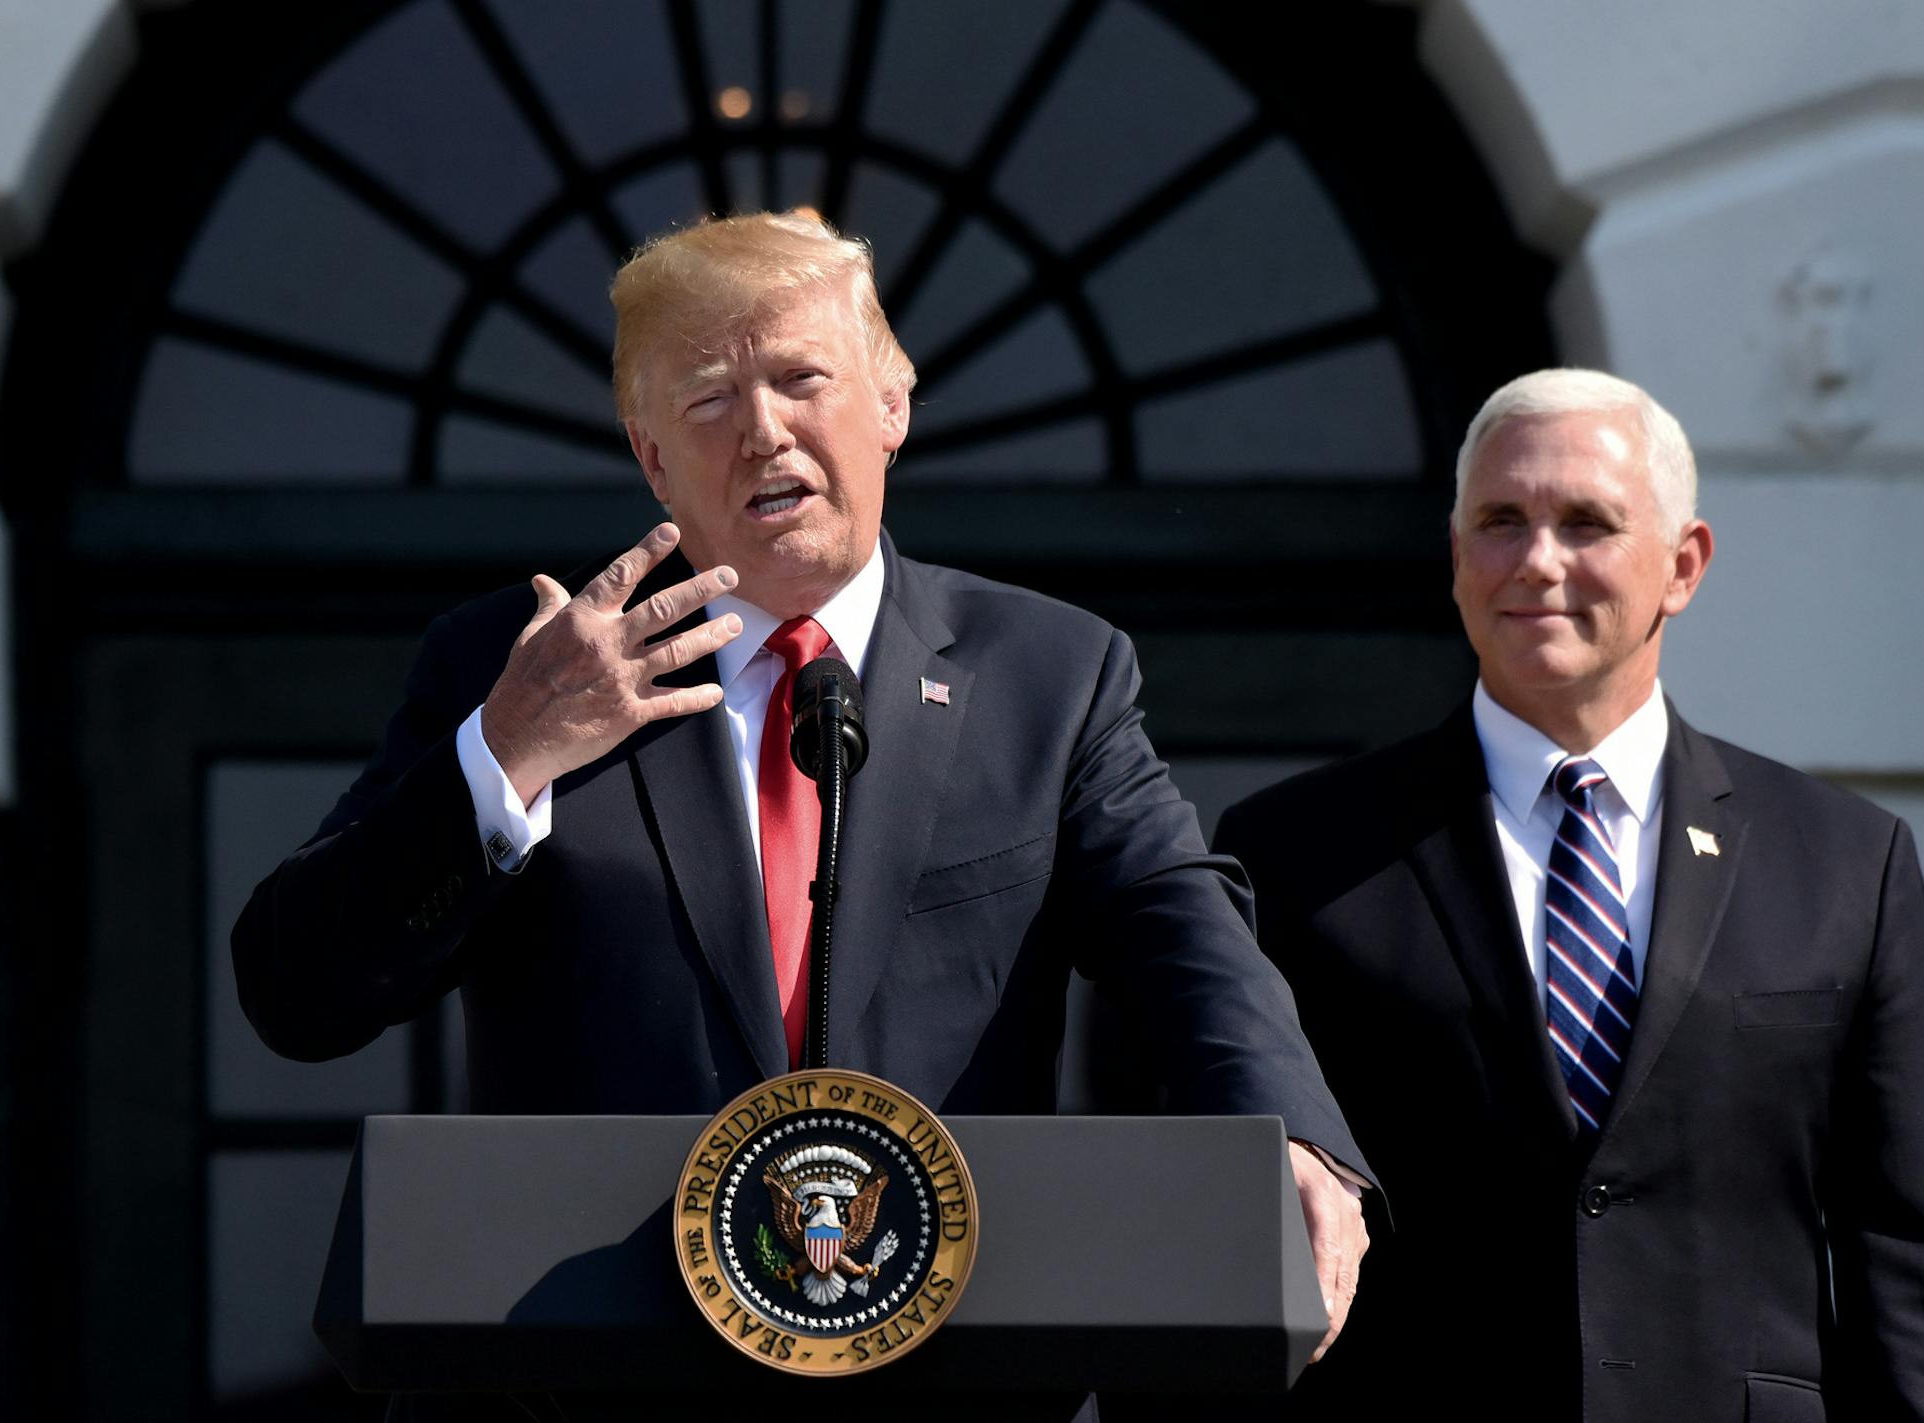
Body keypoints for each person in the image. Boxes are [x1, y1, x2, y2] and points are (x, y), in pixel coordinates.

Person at [230, 212, 1373, 1391]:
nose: (764, 428)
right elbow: (295, 989)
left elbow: (1178, 926)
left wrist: (1285, 1123)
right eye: (711, 399)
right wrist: (508, 751)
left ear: (892, 403)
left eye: (800, 379)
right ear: (653, 456)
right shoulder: (519, 669)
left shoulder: (1050, 675)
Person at [1214, 368, 1924, 1421]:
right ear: (1456, 556)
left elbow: (1899, 1245)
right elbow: (1222, 1222)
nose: (1538, 562)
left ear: (1684, 564)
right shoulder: (1296, 854)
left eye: (1586, 522)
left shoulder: (1844, 863)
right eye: (1501, 520)